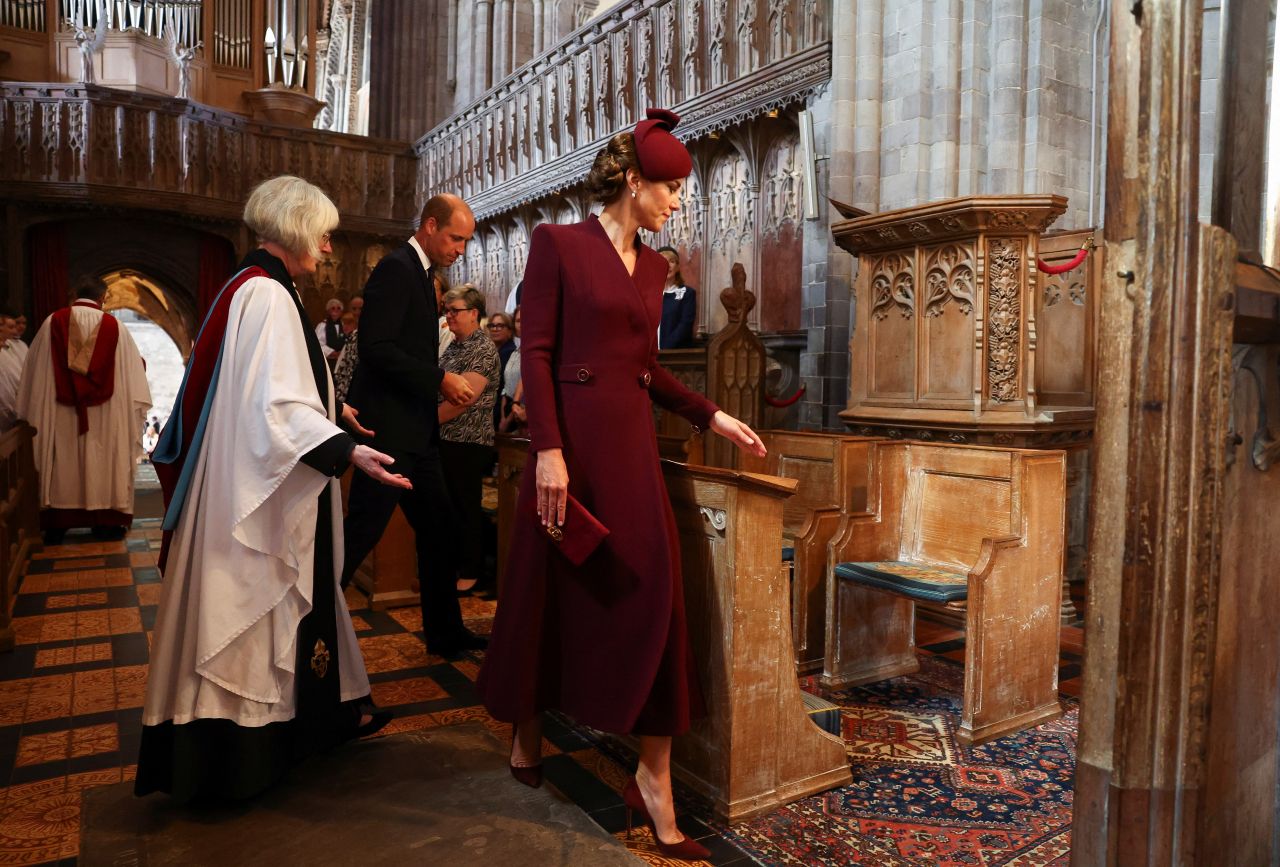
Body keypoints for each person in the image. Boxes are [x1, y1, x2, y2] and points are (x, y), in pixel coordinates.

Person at [476, 108, 765, 861]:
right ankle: (529, 727)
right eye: (668, 187)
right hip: (568, 441)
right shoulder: (557, 244)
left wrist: (713, 415)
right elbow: (534, 354)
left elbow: (649, 369)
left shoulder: (659, 267)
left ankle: (654, 775)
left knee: (654, 592)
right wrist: (547, 451)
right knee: (548, 585)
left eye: (680, 191)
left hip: (629, 444)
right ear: (631, 180)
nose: (678, 202)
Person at [137, 176, 402, 802]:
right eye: (326, 235)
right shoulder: (270, 296)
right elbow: (275, 408)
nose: (330, 249)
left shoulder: (250, 288)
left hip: (247, 474)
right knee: (255, 603)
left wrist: (335, 413)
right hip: (252, 488)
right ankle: (241, 757)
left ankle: (320, 720)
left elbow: (267, 392)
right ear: (295, 227)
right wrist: (348, 450)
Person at [342, 193, 489, 659]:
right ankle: (306, 632)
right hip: (387, 432)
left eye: (466, 240)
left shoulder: (425, 277)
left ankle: (445, 634)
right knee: (359, 536)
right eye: (455, 237)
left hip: (417, 433)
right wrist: (441, 378)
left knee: (440, 531)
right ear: (429, 226)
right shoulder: (397, 268)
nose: (460, 248)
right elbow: (377, 348)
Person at [16, 276, 152, 543]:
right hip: (106, 415)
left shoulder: (51, 324)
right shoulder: (117, 328)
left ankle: (57, 524)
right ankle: (107, 523)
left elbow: (33, 375)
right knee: (104, 462)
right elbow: (134, 374)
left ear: (74, 295)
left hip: (60, 413)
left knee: (62, 462)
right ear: (102, 298)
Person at [437, 286, 501, 596]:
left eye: (455, 310)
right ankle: (453, 565)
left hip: (469, 439)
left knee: (465, 506)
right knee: (449, 506)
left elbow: (463, 398)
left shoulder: (482, 348)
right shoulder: (454, 346)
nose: (448, 315)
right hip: (447, 438)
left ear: (474, 313)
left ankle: (472, 570)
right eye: (446, 310)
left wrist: (426, 421)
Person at [656, 245, 697, 349]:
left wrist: (664, 349)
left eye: (672, 261)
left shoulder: (687, 294)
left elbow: (685, 326)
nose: (667, 265)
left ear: (678, 267)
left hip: (676, 355)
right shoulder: (646, 295)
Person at [486, 310, 517, 430]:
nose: (495, 329)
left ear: (510, 331)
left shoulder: (509, 352)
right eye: (492, 325)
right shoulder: (494, 351)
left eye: (500, 325)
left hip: (501, 411)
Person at [332, 310, 360, 404]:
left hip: (347, 381)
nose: (345, 327)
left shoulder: (355, 338)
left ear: (355, 324)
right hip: (342, 380)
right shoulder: (350, 338)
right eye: (343, 324)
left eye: (348, 324)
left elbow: (351, 363)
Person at [315, 297, 346, 365]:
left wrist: (342, 353)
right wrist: (331, 352)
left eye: (338, 308)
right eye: (333, 308)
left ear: (341, 311)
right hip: (327, 360)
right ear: (328, 311)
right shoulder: (322, 325)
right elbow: (318, 343)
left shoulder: (345, 324)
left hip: (342, 360)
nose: (336, 310)